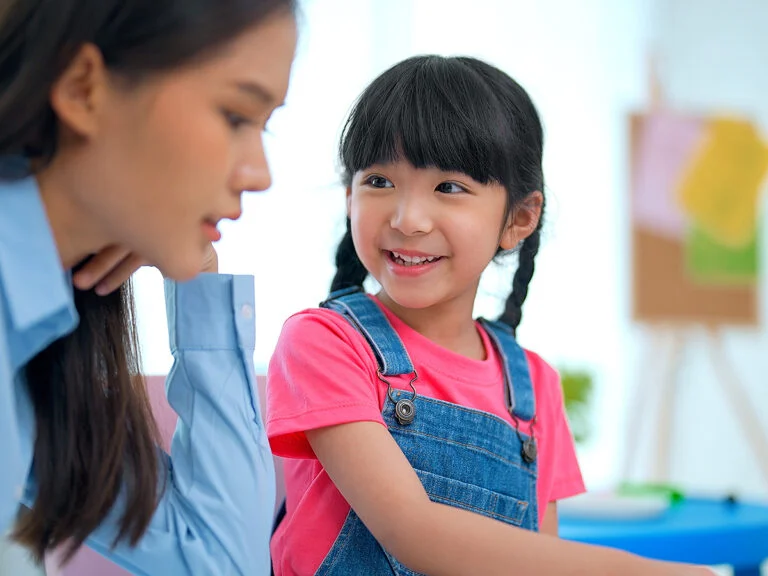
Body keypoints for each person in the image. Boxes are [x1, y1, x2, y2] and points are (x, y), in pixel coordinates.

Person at [266, 56, 710, 575]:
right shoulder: (324, 343)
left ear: (518, 219)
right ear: (350, 197)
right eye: (380, 182)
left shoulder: (535, 386)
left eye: (449, 188)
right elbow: (412, 529)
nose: (408, 219)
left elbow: (537, 561)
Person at [0, 1, 297, 574]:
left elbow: (220, 559)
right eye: (236, 116)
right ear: (84, 89)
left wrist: (197, 276)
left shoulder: (42, 338)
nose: (260, 174)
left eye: (265, 126)